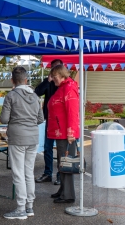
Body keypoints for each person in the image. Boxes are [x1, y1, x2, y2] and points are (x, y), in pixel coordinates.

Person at [0, 67, 44, 219]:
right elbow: (40, 119)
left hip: (17, 137)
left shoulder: (11, 95)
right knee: (28, 172)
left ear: (12, 80)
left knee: (18, 173)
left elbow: (4, 119)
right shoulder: (36, 96)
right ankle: (29, 207)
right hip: (33, 137)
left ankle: (20, 209)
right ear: (26, 80)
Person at [47, 64, 80, 204]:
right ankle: (63, 190)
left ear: (61, 75)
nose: (52, 79)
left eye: (54, 76)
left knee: (66, 163)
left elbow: (72, 112)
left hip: (66, 134)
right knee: (62, 163)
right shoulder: (63, 87)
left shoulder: (69, 88)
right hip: (61, 132)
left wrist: (71, 133)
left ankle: (68, 195)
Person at [34, 59, 63, 185]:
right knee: (47, 147)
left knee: (61, 150)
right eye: (52, 69)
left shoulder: (64, 83)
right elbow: (37, 92)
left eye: (57, 68)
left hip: (61, 121)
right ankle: (48, 173)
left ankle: (61, 175)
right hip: (50, 119)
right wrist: (48, 80)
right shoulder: (50, 82)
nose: (54, 71)